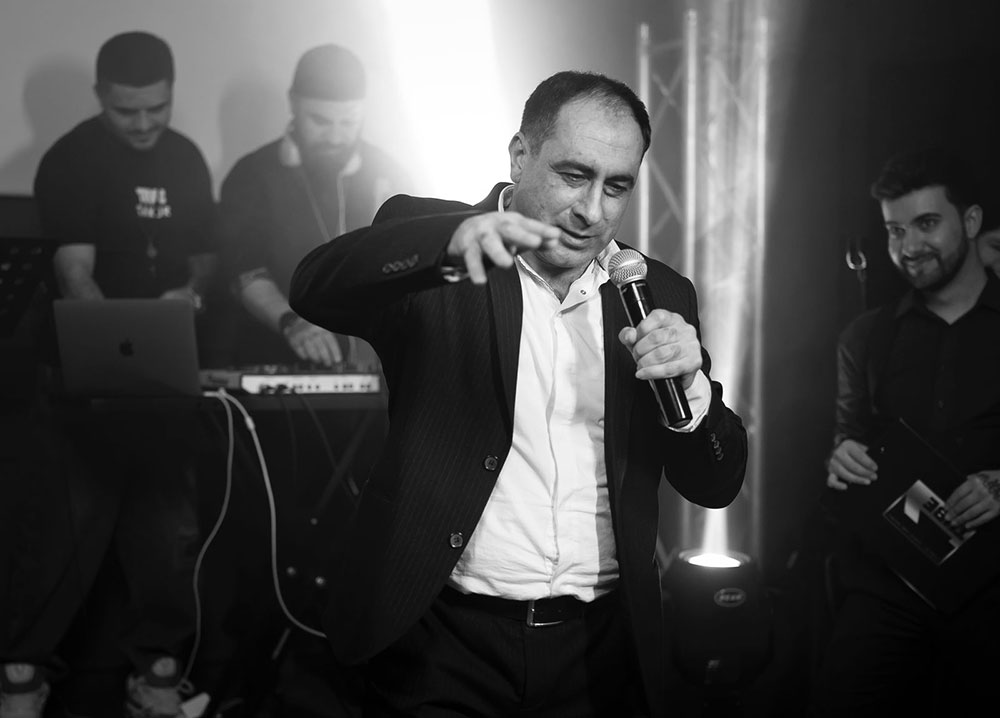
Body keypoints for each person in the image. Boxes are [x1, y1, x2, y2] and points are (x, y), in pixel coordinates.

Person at [288, 70, 748, 717]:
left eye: (617, 186)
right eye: (573, 175)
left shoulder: (659, 294)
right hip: (444, 640)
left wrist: (691, 390)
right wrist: (442, 249)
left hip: (599, 648)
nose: (592, 209)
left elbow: (716, 484)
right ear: (519, 156)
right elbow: (313, 288)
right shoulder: (443, 248)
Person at [1, 31, 214, 718]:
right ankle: (21, 682)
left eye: (158, 107)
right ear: (100, 97)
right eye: (128, 111)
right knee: (57, 540)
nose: (145, 123)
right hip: (79, 381)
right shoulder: (72, 160)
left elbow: (204, 256)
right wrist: (115, 342)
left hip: (165, 382)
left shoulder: (186, 159)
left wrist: (189, 294)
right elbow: (74, 273)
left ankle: (157, 678)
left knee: (168, 537)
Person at [815, 147, 1000, 715]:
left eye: (927, 223)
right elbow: (846, 440)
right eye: (895, 231)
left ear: (971, 221)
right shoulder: (865, 337)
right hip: (889, 579)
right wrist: (842, 458)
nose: (909, 246)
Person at [217, 43, 410, 368]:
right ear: (293, 103)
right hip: (276, 362)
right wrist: (291, 323)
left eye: (348, 122)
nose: (335, 137)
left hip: (376, 370)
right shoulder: (252, 175)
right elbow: (243, 270)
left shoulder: (389, 175)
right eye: (320, 121)